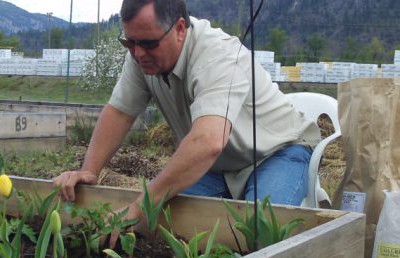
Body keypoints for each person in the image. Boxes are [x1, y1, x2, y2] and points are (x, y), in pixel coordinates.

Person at [53, 0, 320, 225]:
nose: (137, 53)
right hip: (219, 168)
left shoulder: (218, 55)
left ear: (180, 28)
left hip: (277, 153)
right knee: (167, 221)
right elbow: (120, 112)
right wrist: (88, 171)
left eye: (147, 43)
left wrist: (139, 208)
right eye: (129, 42)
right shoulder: (140, 55)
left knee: (258, 228)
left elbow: (208, 142)